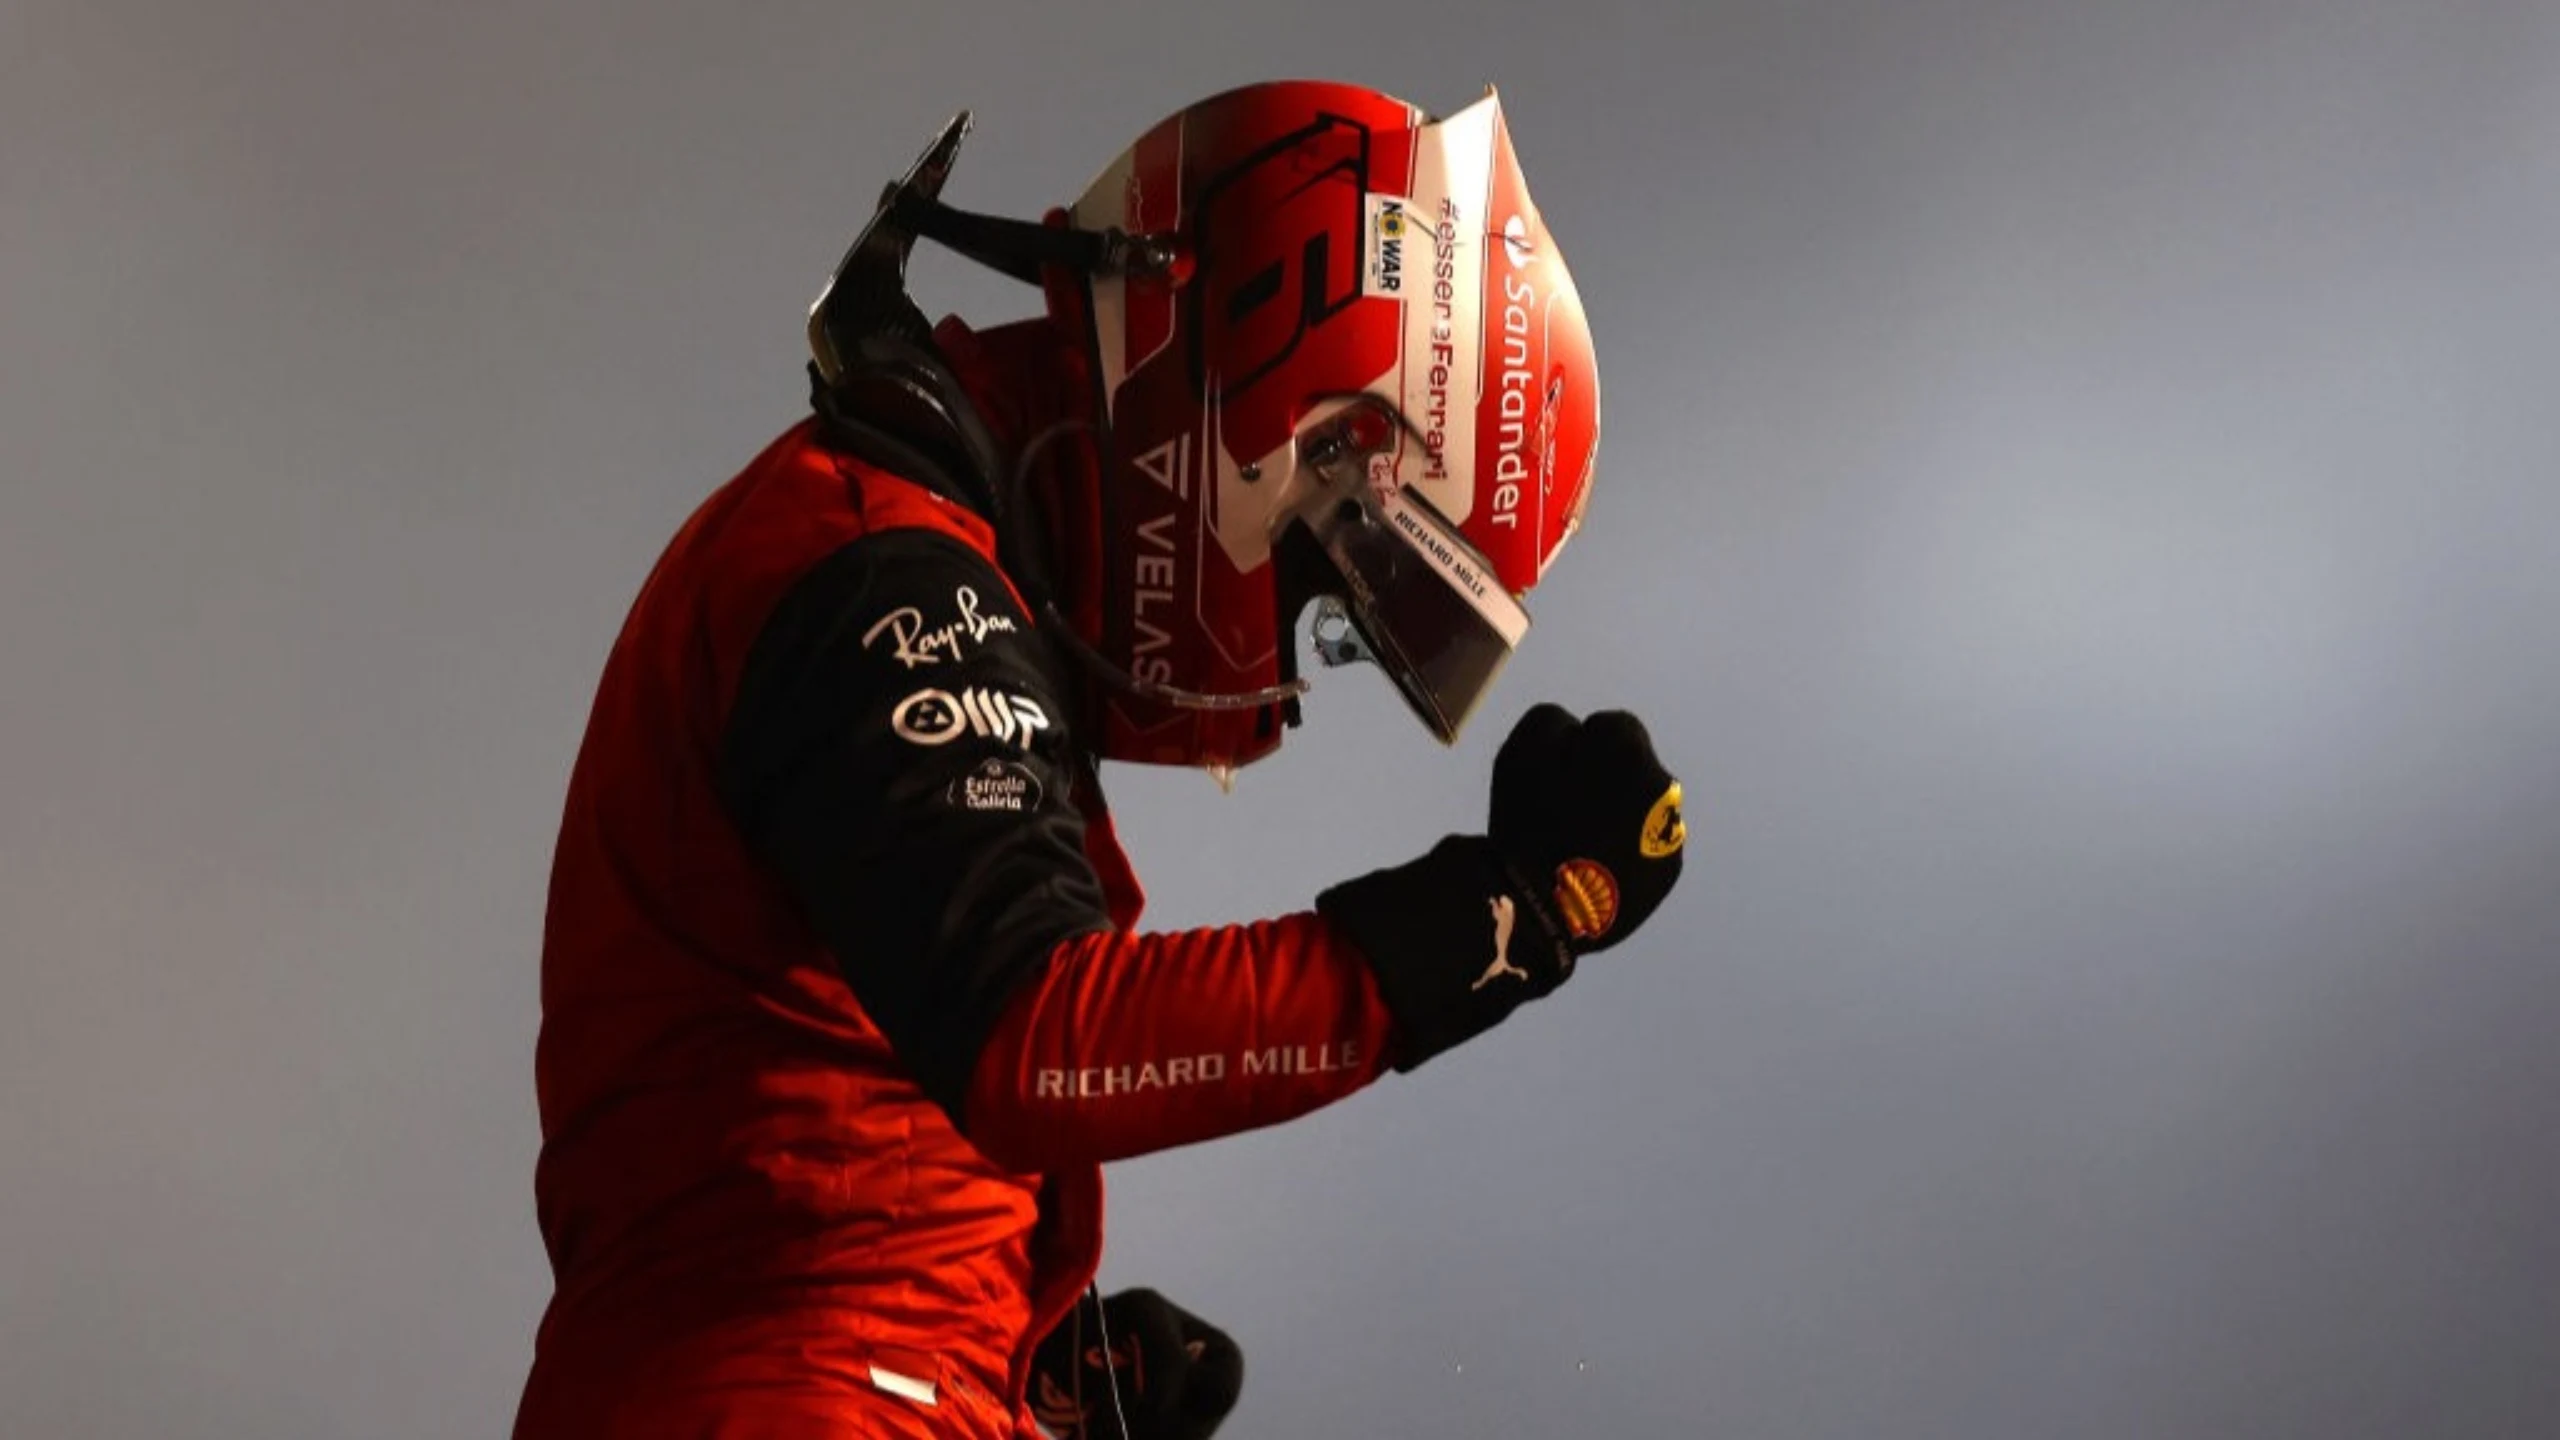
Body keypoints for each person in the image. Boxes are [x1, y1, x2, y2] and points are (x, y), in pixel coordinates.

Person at [510, 79, 1687, 1440]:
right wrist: (1502, 921)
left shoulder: (904, 553)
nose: (1293, 672)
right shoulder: (878, 571)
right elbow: (1034, 1038)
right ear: (1267, 426)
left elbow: (820, 1116)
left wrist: (1023, 1347)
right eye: (1331, 587)